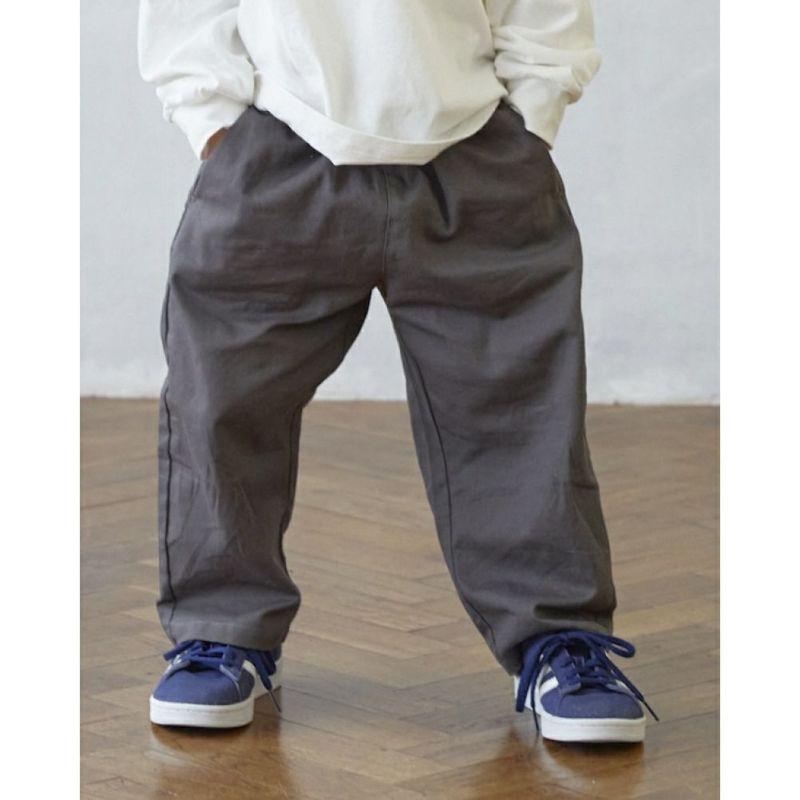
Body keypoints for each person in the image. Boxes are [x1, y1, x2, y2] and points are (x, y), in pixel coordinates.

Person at [137, 0, 658, 743]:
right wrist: (213, 121)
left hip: (476, 146)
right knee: (223, 398)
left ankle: (557, 639)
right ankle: (221, 630)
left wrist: (533, 113)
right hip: (277, 142)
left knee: (517, 407)